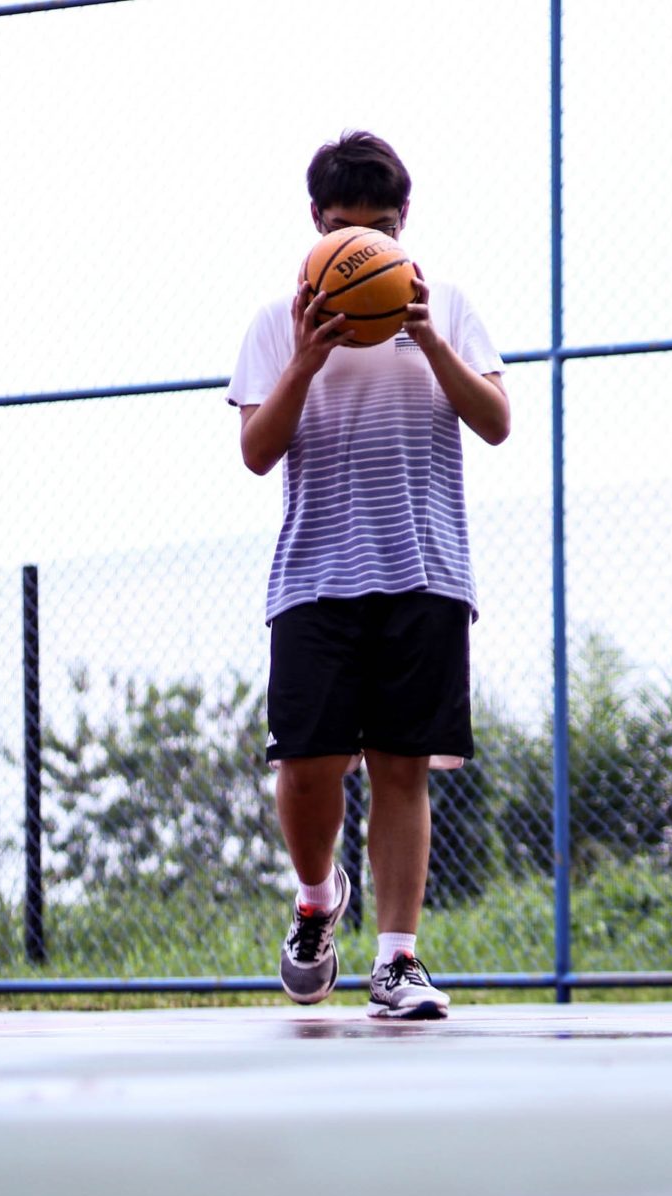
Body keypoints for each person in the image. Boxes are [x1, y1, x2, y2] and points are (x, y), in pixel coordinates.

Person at [228, 130, 510, 1019]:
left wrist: (428, 343)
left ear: (405, 223)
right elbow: (256, 453)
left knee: (401, 766)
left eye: (384, 228)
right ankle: (317, 904)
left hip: (425, 568)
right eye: (350, 227)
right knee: (307, 770)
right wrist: (309, 359)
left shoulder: (448, 307)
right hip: (314, 574)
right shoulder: (277, 324)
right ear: (318, 223)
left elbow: (497, 421)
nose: (369, 244)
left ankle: (397, 960)